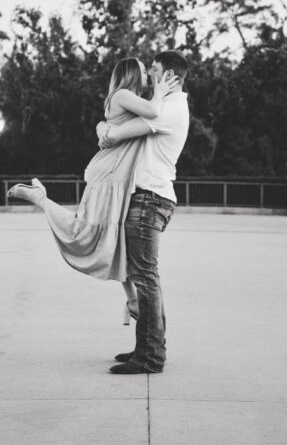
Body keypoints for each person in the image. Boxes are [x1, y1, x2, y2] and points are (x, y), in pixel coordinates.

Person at [7, 57, 181, 324]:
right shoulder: (123, 94)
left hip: (119, 179)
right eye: (144, 70)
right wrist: (159, 93)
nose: (148, 73)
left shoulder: (129, 100)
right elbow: (154, 112)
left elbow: (118, 124)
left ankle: (133, 301)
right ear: (132, 73)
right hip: (108, 177)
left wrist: (104, 126)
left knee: (116, 239)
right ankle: (40, 198)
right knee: (85, 231)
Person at [98, 50, 190, 375]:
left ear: (171, 77)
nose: (150, 73)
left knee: (147, 280)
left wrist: (104, 130)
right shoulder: (168, 105)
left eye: (155, 69)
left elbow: (118, 133)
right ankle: (145, 349)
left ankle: (150, 357)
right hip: (149, 198)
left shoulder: (170, 110)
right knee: (145, 278)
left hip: (150, 199)